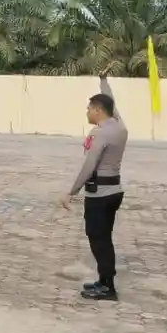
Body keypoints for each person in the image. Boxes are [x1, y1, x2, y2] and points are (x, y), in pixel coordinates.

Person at [61, 75, 128, 301]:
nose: (87, 112)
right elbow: (112, 103)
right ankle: (103, 280)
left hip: (99, 194)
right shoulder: (119, 127)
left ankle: (108, 286)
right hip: (113, 191)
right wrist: (104, 82)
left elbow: (90, 164)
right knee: (104, 238)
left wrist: (71, 192)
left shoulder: (101, 133)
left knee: (98, 240)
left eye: (89, 108)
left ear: (98, 110)